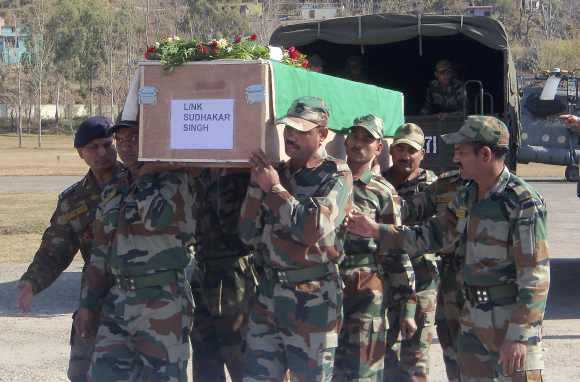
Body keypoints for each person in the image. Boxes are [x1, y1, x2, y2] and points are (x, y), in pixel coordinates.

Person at [349, 115, 550, 381]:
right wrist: (376, 230)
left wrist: (521, 336)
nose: (456, 159)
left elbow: (535, 277)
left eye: (462, 152)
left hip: (509, 325)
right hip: (472, 320)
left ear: (485, 154)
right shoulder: (468, 194)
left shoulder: (522, 202)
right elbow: (433, 235)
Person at [239, 96, 353, 381]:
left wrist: (275, 189)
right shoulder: (278, 172)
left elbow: (310, 230)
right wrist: (256, 187)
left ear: (322, 134)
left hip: (313, 299)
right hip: (268, 295)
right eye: (288, 128)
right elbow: (247, 234)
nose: (291, 135)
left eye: (302, 130)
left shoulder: (336, 175)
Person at [75, 116, 196, 382]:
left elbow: (157, 220)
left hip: (162, 301)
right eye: (121, 140)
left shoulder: (174, 180)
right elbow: (100, 251)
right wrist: (88, 304)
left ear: (151, 141)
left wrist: (146, 176)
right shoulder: (113, 188)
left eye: (134, 139)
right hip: (118, 301)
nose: (126, 146)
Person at [16, 116, 122, 382]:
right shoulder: (73, 199)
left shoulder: (139, 184)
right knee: (81, 373)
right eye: (93, 147)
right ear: (80, 153)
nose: (102, 152)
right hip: (94, 297)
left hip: (138, 294)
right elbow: (55, 249)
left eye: (107, 144)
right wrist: (32, 282)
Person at [334, 114, 417, 382]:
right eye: (354, 137)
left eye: (367, 139)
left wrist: (407, 307)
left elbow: (396, 250)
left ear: (379, 148)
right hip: (326, 292)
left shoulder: (383, 192)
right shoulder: (327, 181)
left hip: (366, 295)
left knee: (363, 374)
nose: (358, 144)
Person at [382, 123, 439, 382]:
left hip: (421, 279)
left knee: (415, 358)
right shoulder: (380, 182)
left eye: (411, 151)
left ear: (422, 154)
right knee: (382, 352)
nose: (405, 156)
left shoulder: (433, 187)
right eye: (400, 149)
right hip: (385, 280)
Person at [190, 168, 256, 382]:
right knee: (205, 359)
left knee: (242, 359)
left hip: (234, 276)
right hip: (202, 273)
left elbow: (239, 233)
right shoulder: (200, 171)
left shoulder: (241, 171)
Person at [402, 169, 467, 382]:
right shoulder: (445, 185)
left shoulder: (509, 194)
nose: (457, 156)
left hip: (482, 283)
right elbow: (413, 212)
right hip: (449, 278)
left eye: (463, 150)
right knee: (451, 352)